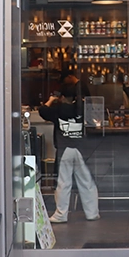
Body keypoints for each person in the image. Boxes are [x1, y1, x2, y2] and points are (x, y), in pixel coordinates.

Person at [39, 82, 99, 223]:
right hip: (81, 149)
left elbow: (42, 111)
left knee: (63, 183)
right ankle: (92, 213)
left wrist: (51, 100)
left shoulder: (58, 109)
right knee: (87, 181)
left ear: (62, 97)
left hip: (64, 148)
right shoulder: (82, 108)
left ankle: (61, 214)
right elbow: (93, 123)